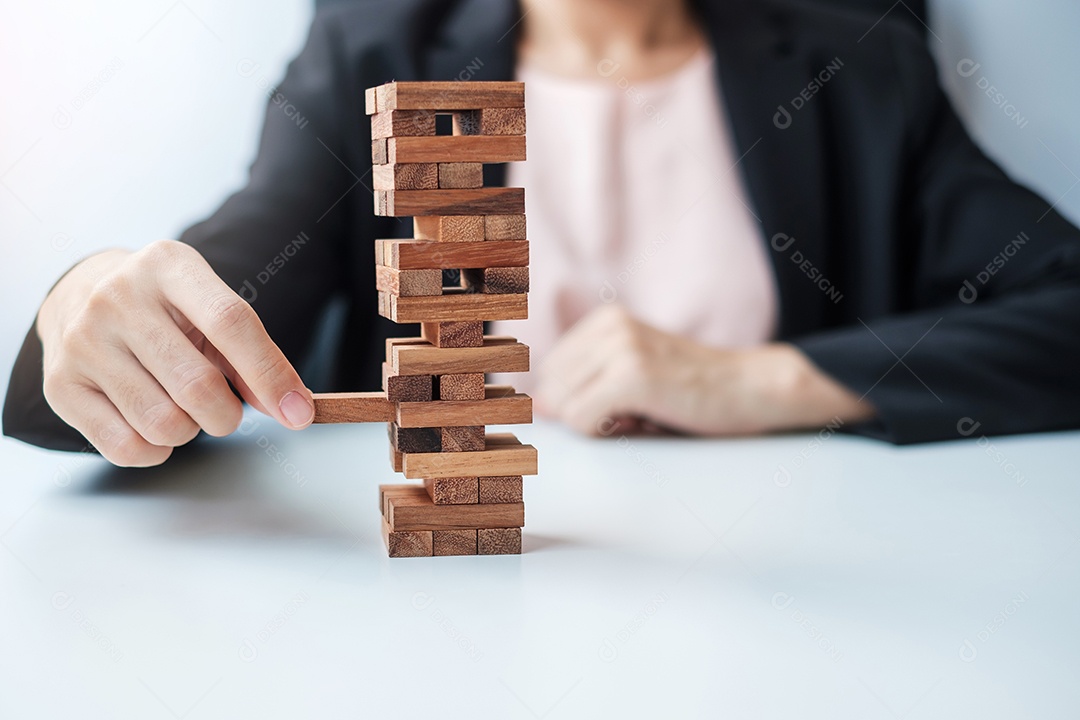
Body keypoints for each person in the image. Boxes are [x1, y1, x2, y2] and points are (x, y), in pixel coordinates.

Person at [5, 0, 1080, 466]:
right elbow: (226, 281)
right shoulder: (375, 47)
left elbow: (1065, 308)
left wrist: (763, 381)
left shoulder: (865, 66)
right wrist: (92, 304)